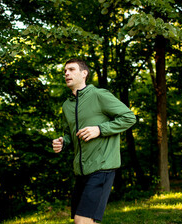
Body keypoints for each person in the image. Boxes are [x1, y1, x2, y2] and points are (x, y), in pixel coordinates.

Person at [52, 58, 136, 224]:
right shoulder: (66, 106)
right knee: (89, 221)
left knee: (81, 220)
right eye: (65, 71)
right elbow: (69, 134)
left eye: (71, 69)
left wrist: (100, 129)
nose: (66, 73)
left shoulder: (99, 95)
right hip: (81, 171)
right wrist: (63, 142)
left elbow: (129, 117)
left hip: (102, 167)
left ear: (84, 74)